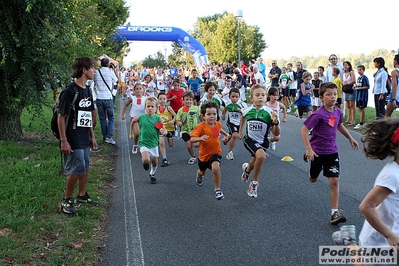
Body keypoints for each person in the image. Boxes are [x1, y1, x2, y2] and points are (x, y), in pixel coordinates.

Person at [300, 82, 359, 225]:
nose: (332, 97)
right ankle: (309, 160)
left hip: (332, 152)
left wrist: (351, 138)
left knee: (334, 181)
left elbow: (338, 125)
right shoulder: (318, 114)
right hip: (317, 153)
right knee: (313, 179)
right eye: (328, 94)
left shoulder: (338, 112)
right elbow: (304, 130)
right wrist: (308, 148)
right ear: (321, 97)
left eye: (334, 94)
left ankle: (335, 213)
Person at [58, 56, 98, 214]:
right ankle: (66, 200)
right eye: (92, 68)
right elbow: (62, 117)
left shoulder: (87, 89)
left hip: (84, 135)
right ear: (84, 70)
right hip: (72, 136)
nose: (94, 71)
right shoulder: (70, 91)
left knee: (85, 165)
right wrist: (63, 140)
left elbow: (87, 115)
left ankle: (81, 194)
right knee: (77, 167)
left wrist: (92, 136)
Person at [358, 118, 399, 257]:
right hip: (378, 241)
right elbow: (366, 206)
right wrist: (388, 234)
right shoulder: (391, 175)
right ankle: (349, 242)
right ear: (394, 147)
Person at [238, 84, 280, 198]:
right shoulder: (247, 110)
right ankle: (254, 183)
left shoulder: (270, 113)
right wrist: (240, 131)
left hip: (263, 141)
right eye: (257, 95)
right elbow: (242, 116)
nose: (260, 97)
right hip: (250, 139)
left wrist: (275, 122)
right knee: (261, 156)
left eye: (263, 95)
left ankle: (247, 171)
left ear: (266, 97)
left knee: (254, 161)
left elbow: (276, 133)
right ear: (251, 98)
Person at [190, 101, 230, 200]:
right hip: (203, 156)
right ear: (203, 116)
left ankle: (217, 189)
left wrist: (226, 135)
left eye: (214, 114)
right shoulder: (200, 127)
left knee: (216, 168)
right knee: (202, 172)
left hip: (216, 153)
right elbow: (192, 139)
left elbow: (218, 131)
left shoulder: (217, 124)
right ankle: (199, 175)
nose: (212, 116)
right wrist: (200, 138)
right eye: (209, 114)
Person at [131, 97, 167, 184]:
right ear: (145, 107)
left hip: (154, 143)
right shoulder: (141, 117)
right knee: (146, 159)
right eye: (148, 106)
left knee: (155, 162)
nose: (150, 108)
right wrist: (130, 133)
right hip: (143, 142)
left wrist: (164, 132)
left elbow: (164, 129)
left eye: (152, 106)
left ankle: (152, 174)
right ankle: (145, 163)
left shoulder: (158, 119)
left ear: (156, 108)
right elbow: (133, 121)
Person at [94, 58, 118, 145]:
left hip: (99, 97)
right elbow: (116, 80)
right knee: (111, 117)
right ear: (108, 64)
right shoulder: (110, 72)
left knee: (102, 118)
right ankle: (109, 137)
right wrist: (114, 69)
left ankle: (105, 136)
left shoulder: (96, 72)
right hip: (108, 97)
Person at [176, 91, 201, 164]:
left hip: (195, 130)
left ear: (193, 100)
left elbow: (200, 117)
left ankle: (204, 150)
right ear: (183, 100)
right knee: (189, 145)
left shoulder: (195, 108)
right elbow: (178, 119)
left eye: (190, 99)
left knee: (196, 145)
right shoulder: (180, 110)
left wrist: (204, 124)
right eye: (186, 99)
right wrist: (179, 122)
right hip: (185, 130)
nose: (188, 101)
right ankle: (193, 156)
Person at [121, 83, 147, 154]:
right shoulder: (132, 98)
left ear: (143, 90)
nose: (139, 90)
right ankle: (135, 145)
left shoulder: (146, 98)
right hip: (134, 118)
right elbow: (126, 105)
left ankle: (143, 146)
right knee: (137, 132)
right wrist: (123, 114)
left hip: (143, 118)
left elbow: (149, 107)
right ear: (134, 90)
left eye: (140, 88)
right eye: (137, 89)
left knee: (144, 133)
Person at [221, 88, 247, 160]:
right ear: (229, 97)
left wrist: (241, 111)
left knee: (234, 135)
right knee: (235, 135)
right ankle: (230, 153)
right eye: (233, 97)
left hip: (239, 123)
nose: (235, 99)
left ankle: (227, 139)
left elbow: (246, 114)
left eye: (236, 97)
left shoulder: (242, 104)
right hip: (231, 122)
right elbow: (225, 109)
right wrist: (223, 115)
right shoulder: (228, 103)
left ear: (239, 97)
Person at [157, 92, 176, 167]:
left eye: (164, 99)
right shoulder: (156, 109)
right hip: (161, 128)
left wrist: (173, 121)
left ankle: (170, 135)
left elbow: (175, 115)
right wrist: (158, 127)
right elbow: (154, 119)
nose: (162, 100)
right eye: (160, 99)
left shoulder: (168, 108)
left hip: (170, 128)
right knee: (161, 143)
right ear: (158, 100)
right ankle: (165, 159)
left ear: (166, 100)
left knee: (171, 145)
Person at [265, 87, 286, 151]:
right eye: (274, 95)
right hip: (268, 122)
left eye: (277, 95)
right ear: (269, 96)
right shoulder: (266, 104)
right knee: (265, 135)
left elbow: (284, 108)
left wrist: (284, 117)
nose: (275, 97)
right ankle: (263, 146)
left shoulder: (278, 104)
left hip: (275, 123)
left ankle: (271, 141)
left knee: (277, 137)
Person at [353, 65, 370, 130]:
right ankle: (362, 122)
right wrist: (355, 87)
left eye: (360, 69)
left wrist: (359, 88)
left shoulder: (365, 78)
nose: (359, 71)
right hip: (358, 95)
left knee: (362, 108)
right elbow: (358, 85)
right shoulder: (358, 78)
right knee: (359, 108)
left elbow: (367, 86)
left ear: (363, 70)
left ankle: (361, 123)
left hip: (363, 96)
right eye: (358, 70)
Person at [342, 61, 356, 126]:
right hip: (346, 90)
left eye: (346, 65)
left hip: (351, 89)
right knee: (348, 105)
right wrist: (343, 82)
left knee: (352, 105)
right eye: (344, 65)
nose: (345, 66)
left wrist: (347, 83)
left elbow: (354, 80)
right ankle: (348, 119)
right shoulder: (343, 73)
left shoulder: (351, 72)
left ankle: (353, 120)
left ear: (349, 66)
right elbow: (342, 81)